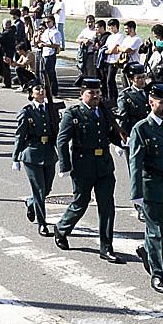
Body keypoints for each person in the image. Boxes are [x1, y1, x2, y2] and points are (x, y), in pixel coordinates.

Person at [52, 78, 121, 261]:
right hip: (83, 165)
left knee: (107, 207)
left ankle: (106, 247)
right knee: (80, 203)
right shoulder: (73, 113)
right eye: (91, 93)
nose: (96, 96)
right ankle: (62, 228)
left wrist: (123, 142)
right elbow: (62, 140)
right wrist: (65, 165)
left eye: (98, 92)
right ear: (81, 94)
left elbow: (112, 133)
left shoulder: (104, 112)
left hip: (104, 165)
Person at [127, 84, 163, 296]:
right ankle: (157, 275)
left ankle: (148, 252)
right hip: (151, 185)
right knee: (155, 232)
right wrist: (137, 193)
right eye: (161, 102)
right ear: (151, 103)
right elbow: (135, 162)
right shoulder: (141, 128)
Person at [11, 80, 60, 235]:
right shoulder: (27, 112)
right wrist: (15, 158)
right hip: (31, 154)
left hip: (49, 153)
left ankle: (30, 202)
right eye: (37, 89)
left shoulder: (51, 109)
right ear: (31, 93)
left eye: (43, 88)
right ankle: (42, 223)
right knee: (39, 189)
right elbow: (20, 135)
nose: (41, 91)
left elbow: (58, 134)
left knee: (47, 188)